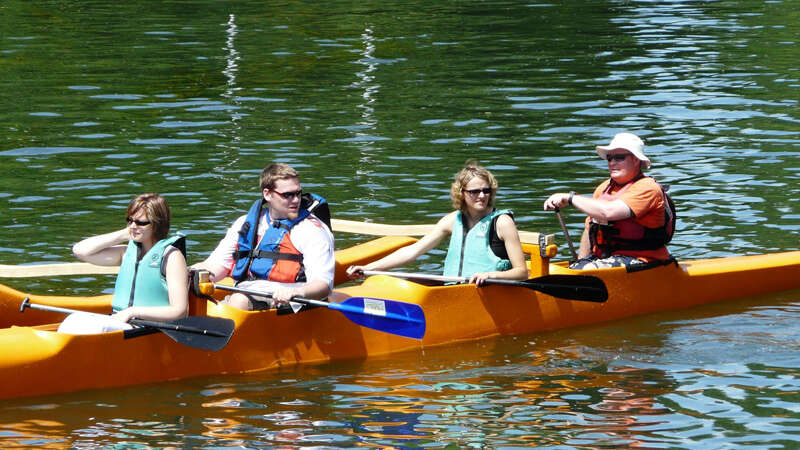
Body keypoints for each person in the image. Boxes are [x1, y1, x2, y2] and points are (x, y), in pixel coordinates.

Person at [347, 160, 528, 285]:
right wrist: (368, 268)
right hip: (454, 289)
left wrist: (490, 275)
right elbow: (413, 251)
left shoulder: (502, 222)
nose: (482, 196)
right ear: (462, 193)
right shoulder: (452, 220)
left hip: (489, 289)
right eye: (475, 191)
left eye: (486, 190)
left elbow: (521, 272)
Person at [191, 163, 335, 310]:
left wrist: (296, 292)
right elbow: (218, 266)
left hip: (290, 302)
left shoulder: (311, 230)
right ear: (267, 194)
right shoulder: (245, 223)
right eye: (288, 195)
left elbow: (323, 284)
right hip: (246, 292)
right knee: (187, 287)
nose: (296, 200)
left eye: (298, 193)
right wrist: (191, 273)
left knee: (239, 300)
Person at [59, 193, 189, 333]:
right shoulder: (126, 253)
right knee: (73, 320)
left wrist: (132, 312)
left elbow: (179, 311)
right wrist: (125, 234)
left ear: (157, 224)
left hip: (150, 328)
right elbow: (80, 251)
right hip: (121, 322)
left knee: (94, 327)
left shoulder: (172, 257)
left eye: (141, 222)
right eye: (130, 220)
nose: (133, 226)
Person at [543, 132, 674, 270]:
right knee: (573, 268)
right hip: (606, 259)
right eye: (609, 158)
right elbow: (590, 228)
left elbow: (608, 212)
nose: (612, 163)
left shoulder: (647, 188)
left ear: (636, 160)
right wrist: (580, 263)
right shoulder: (603, 188)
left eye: (619, 158)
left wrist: (570, 198)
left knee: (588, 270)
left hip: (645, 260)